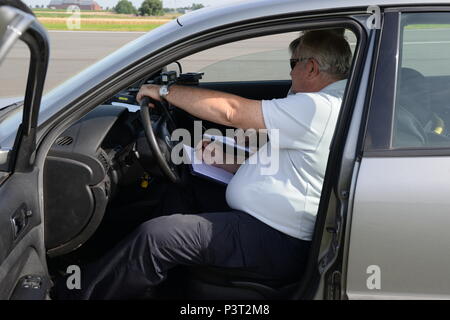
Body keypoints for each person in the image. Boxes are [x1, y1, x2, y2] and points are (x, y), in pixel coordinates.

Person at [56, 29, 352, 299]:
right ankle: (142, 279)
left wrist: (164, 92)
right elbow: (295, 165)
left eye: (293, 64)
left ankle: (78, 295)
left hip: (276, 237)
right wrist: (232, 163)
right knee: (179, 190)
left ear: (311, 67)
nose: (290, 74)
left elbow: (232, 111)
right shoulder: (332, 101)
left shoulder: (316, 108)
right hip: (270, 220)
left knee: (157, 237)